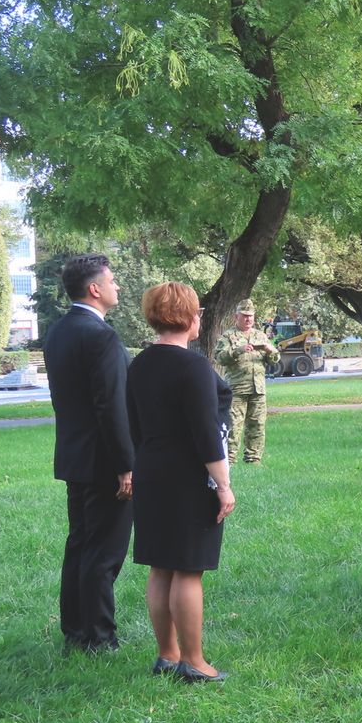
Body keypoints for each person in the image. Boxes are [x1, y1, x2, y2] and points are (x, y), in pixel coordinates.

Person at [127, 283, 235, 681]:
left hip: (151, 470)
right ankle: (194, 661)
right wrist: (223, 485)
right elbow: (207, 433)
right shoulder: (194, 367)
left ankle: (167, 655)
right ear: (190, 318)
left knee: (161, 567)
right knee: (188, 569)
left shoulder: (139, 364)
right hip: (189, 476)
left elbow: (134, 425)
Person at [43, 254, 135, 654]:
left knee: (80, 543)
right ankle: (99, 637)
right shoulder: (102, 336)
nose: (118, 287)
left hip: (73, 456)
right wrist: (125, 465)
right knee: (104, 551)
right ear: (94, 289)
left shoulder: (58, 332)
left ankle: (76, 630)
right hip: (102, 462)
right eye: (112, 281)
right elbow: (111, 407)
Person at [214, 299, 278, 466]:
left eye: (250, 316)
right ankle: (230, 461)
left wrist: (271, 351)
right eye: (244, 316)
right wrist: (237, 351)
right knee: (233, 427)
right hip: (237, 389)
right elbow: (219, 357)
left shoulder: (261, 335)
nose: (248, 319)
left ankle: (254, 460)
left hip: (258, 389)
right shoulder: (228, 336)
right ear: (237, 316)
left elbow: (274, 359)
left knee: (257, 425)